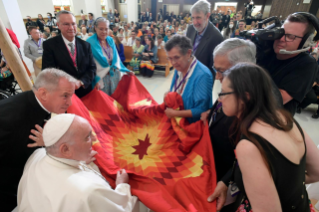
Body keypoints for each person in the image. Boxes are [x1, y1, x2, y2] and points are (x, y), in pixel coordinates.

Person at [210, 62, 319, 212]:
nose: (220, 99)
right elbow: (316, 171)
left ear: (245, 97)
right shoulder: (287, 120)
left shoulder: (250, 145)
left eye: (223, 93)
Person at [201, 38, 282, 212]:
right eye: (216, 69)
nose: (217, 76)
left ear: (241, 67)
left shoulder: (263, 100)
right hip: (214, 165)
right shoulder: (237, 84)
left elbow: (254, 154)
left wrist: (226, 181)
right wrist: (211, 114)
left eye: (221, 71)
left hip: (229, 179)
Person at [17, 114, 138, 212]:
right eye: (87, 137)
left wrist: (78, 159)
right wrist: (122, 186)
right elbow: (123, 209)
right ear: (65, 150)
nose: (95, 140)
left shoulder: (37, 155)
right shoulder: (89, 191)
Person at [0, 69, 76, 211]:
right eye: (65, 96)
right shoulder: (11, 118)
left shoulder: (37, 105)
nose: (70, 102)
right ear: (43, 93)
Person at [260, 13, 318, 115]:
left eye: (290, 36)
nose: (281, 39)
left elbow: (275, 100)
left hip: (272, 120)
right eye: (281, 33)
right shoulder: (267, 50)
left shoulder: (307, 64)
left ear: (305, 41)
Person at [42, 10, 97, 98]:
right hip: (65, 95)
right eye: (66, 24)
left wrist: (81, 82)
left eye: (73, 24)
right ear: (58, 25)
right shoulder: (50, 45)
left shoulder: (85, 45)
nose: (71, 27)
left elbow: (92, 68)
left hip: (86, 91)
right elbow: (48, 72)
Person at [165, 35, 212, 123]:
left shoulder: (203, 75)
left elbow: (201, 110)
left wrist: (175, 114)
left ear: (188, 53)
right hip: (178, 122)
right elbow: (176, 89)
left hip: (191, 126)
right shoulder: (178, 68)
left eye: (176, 57)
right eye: (170, 58)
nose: (173, 63)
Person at [86, 17, 130, 95]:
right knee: (105, 101)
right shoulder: (89, 42)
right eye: (101, 29)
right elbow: (88, 65)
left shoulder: (110, 40)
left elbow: (117, 59)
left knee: (115, 98)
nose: (104, 32)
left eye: (106, 29)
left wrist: (125, 70)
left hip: (113, 74)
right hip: (101, 77)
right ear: (95, 28)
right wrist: (94, 80)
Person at [186, 0, 223, 77]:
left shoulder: (216, 37)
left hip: (202, 79)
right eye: (193, 18)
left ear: (207, 16)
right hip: (187, 74)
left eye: (198, 18)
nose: (195, 22)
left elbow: (213, 69)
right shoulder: (190, 29)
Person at [297, 51, 319, 118]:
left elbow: (317, 80)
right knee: (312, 97)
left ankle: (317, 113)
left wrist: (315, 83)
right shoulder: (304, 65)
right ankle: (299, 106)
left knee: (313, 97)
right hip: (305, 85)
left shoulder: (317, 68)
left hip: (314, 86)